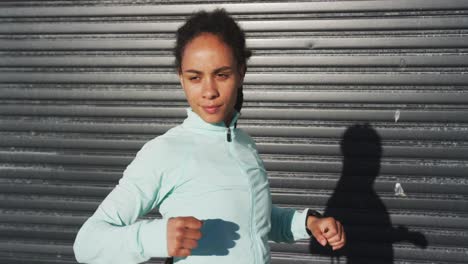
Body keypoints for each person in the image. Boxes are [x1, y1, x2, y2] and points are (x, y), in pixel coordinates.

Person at [73, 9, 345, 264]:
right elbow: (87, 243)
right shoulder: (164, 151)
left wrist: (308, 223)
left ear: (241, 72)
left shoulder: (244, 145)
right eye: (195, 77)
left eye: (221, 75)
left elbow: (253, 219)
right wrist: (153, 238)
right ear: (181, 78)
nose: (209, 91)